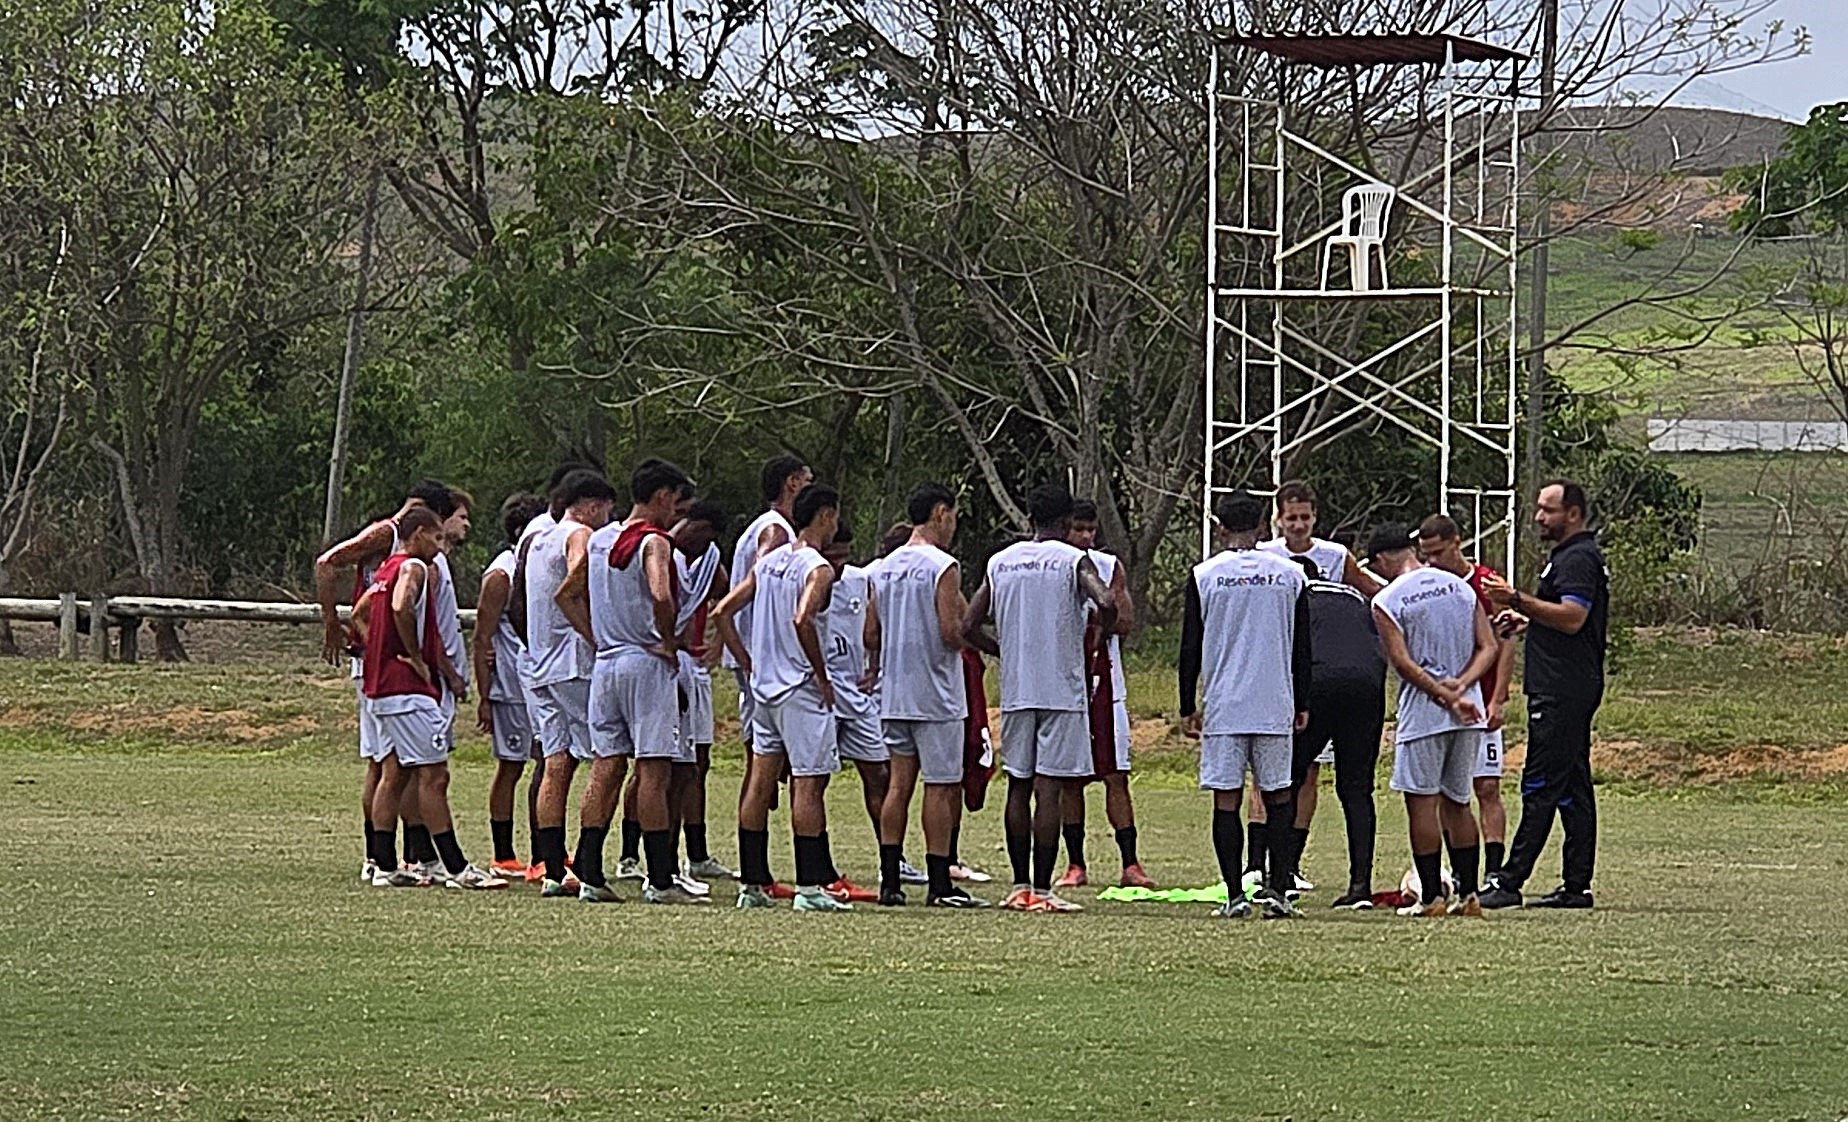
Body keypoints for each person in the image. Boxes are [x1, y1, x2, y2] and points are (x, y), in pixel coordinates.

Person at [963, 482, 1116, 913]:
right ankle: (1045, 891)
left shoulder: (1001, 562)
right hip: (1062, 689)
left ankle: (1018, 885)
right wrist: (1099, 629)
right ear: (1068, 521)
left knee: (1018, 784)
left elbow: (968, 626)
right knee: (1049, 789)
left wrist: (1004, 651)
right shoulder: (1072, 560)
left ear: (1028, 517)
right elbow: (1105, 600)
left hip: (1017, 688)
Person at [562, 458, 704, 905]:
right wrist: (668, 639)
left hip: (606, 664)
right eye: (676, 503)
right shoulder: (654, 543)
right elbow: (661, 593)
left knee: (606, 765)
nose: (677, 514)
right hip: (644, 663)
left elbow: (566, 594)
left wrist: (597, 634)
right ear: (662, 496)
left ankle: (589, 871)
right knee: (653, 770)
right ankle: (660, 879)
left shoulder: (601, 539)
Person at [715, 484, 854, 912]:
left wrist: (748, 661)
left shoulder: (771, 561)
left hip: (764, 689)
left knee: (759, 781)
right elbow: (802, 618)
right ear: (826, 517)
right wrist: (820, 673)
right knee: (807, 785)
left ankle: (751, 883)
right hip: (798, 689)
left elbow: (722, 612)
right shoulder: (818, 568)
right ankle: (811, 886)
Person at [314, 479, 458, 882]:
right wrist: (332, 624)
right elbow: (327, 563)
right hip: (385, 667)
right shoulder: (389, 535)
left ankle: (402, 858)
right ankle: (378, 858)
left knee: (398, 767)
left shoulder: (412, 556)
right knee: (385, 766)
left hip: (388, 663)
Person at [1179, 490, 1311, 920]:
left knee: (1226, 799)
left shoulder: (1204, 575)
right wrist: (1302, 700)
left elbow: (1190, 646)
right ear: (1262, 526)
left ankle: (1235, 893)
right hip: (1276, 699)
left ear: (1220, 528)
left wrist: (1186, 704)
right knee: (1278, 796)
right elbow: (1302, 646)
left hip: (1224, 704)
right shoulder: (1290, 574)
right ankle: (1277, 888)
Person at [356, 507, 504, 890]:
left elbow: (359, 613)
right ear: (418, 534)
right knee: (434, 776)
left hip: (380, 688)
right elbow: (402, 605)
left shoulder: (385, 569)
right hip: (407, 690)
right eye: (436, 538)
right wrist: (416, 657)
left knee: (394, 774)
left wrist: (378, 650)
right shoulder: (412, 568)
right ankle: (454, 867)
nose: (440, 547)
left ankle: (384, 864)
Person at [1479, 480, 1610, 910]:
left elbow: (1573, 618)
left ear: (1572, 514)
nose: (1538, 518)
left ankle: (1509, 881)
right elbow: (1563, 622)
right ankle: (1577, 885)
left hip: (1562, 690)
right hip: (1566, 683)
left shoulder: (1578, 560)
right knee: (1572, 786)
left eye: (1547, 510)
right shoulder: (1568, 559)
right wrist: (1526, 619)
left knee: (1540, 784)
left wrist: (1516, 597)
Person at [1247, 480, 1381, 894]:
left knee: (1302, 774)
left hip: (1316, 676)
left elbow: (1378, 593)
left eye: (1306, 518)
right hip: (1297, 677)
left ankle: (1287, 866)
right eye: (1292, 519)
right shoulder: (1263, 558)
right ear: (1278, 520)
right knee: (1274, 772)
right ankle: (1260, 864)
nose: (1299, 526)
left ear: (1315, 517)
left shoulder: (1336, 558)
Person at [1367, 524, 1499, 918]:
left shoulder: (1387, 599)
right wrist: (1463, 686)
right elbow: (1489, 646)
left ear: (1381, 561)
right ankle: (1469, 894)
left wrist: (1443, 694)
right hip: (1470, 708)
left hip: (1425, 712)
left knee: (1422, 803)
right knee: (1459, 802)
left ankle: (1431, 897)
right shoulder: (1460, 585)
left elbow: (1403, 662)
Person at [871, 483, 978, 908]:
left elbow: (870, 633)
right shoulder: (942, 565)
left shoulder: (884, 567)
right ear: (940, 513)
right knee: (940, 785)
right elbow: (951, 631)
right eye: (951, 515)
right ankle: (939, 882)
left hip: (894, 690)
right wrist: (976, 639)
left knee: (899, 784)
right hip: (936, 691)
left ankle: (890, 880)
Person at [525, 471, 619, 898]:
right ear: (591, 504)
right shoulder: (579, 533)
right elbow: (576, 580)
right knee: (608, 756)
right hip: (573, 663)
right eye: (606, 509)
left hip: (540, 662)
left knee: (556, 762)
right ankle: (587, 864)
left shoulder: (536, 538)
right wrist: (593, 635)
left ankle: (550, 868)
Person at [1054, 499, 1155, 890]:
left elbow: (1126, 621)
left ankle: (1130, 862)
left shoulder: (1109, 566)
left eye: (1089, 530)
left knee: (1116, 774)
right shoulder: (1055, 565)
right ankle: (1075, 863)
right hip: (1065, 683)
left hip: (1105, 684)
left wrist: (1104, 609)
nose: (1084, 537)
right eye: (1077, 529)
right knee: (1070, 780)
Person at [1283, 555, 1389, 910]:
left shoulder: (1297, 596)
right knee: (1357, 789)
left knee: (1291, 779)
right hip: (1368, 685)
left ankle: (1281, 875)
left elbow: (1290, 652)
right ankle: (1361, 884)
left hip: (1320, 682)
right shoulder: (1355, 597)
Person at [1417, 514, 1519, 882]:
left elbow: (1507, 639)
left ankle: (1494, 871)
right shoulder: (1428, 586)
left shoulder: (1486, 583)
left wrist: (1500, 697)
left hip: (1481, 699)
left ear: (1457, 543)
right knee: (1449, 792)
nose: (1432, 561)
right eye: (1426, 555)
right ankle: (1462, 871)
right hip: (1445, 703)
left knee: (1487, 786)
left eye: (1438, 552)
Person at [473, 493, 547, 879]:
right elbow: (482, 636)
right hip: (511, 688)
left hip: (537, 682)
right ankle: (504, 853)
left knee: (546, 761)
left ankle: (544, 851)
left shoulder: (536, 568)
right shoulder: (501, 574)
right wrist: (484, 695)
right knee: (512, 766)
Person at [821, 522, 897, 892]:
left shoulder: (859, 579)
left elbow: (871, 630)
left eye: (843, 557)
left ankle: (891, 861)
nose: (838, 565)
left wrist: (875, 667)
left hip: (855, 690)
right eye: (831, 557)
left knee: (879, 773)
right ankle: (819, 866)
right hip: (819, 690)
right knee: (814, 779)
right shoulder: (806, 575)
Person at [670, 501, 736, 883]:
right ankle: (636, 852)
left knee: (698, 763)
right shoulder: (663, 552)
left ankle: (696, 853)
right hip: (665, 663)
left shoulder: (708, 559)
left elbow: (724, 598)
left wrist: (716, 646)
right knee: (660, 765)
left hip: (693, 668)